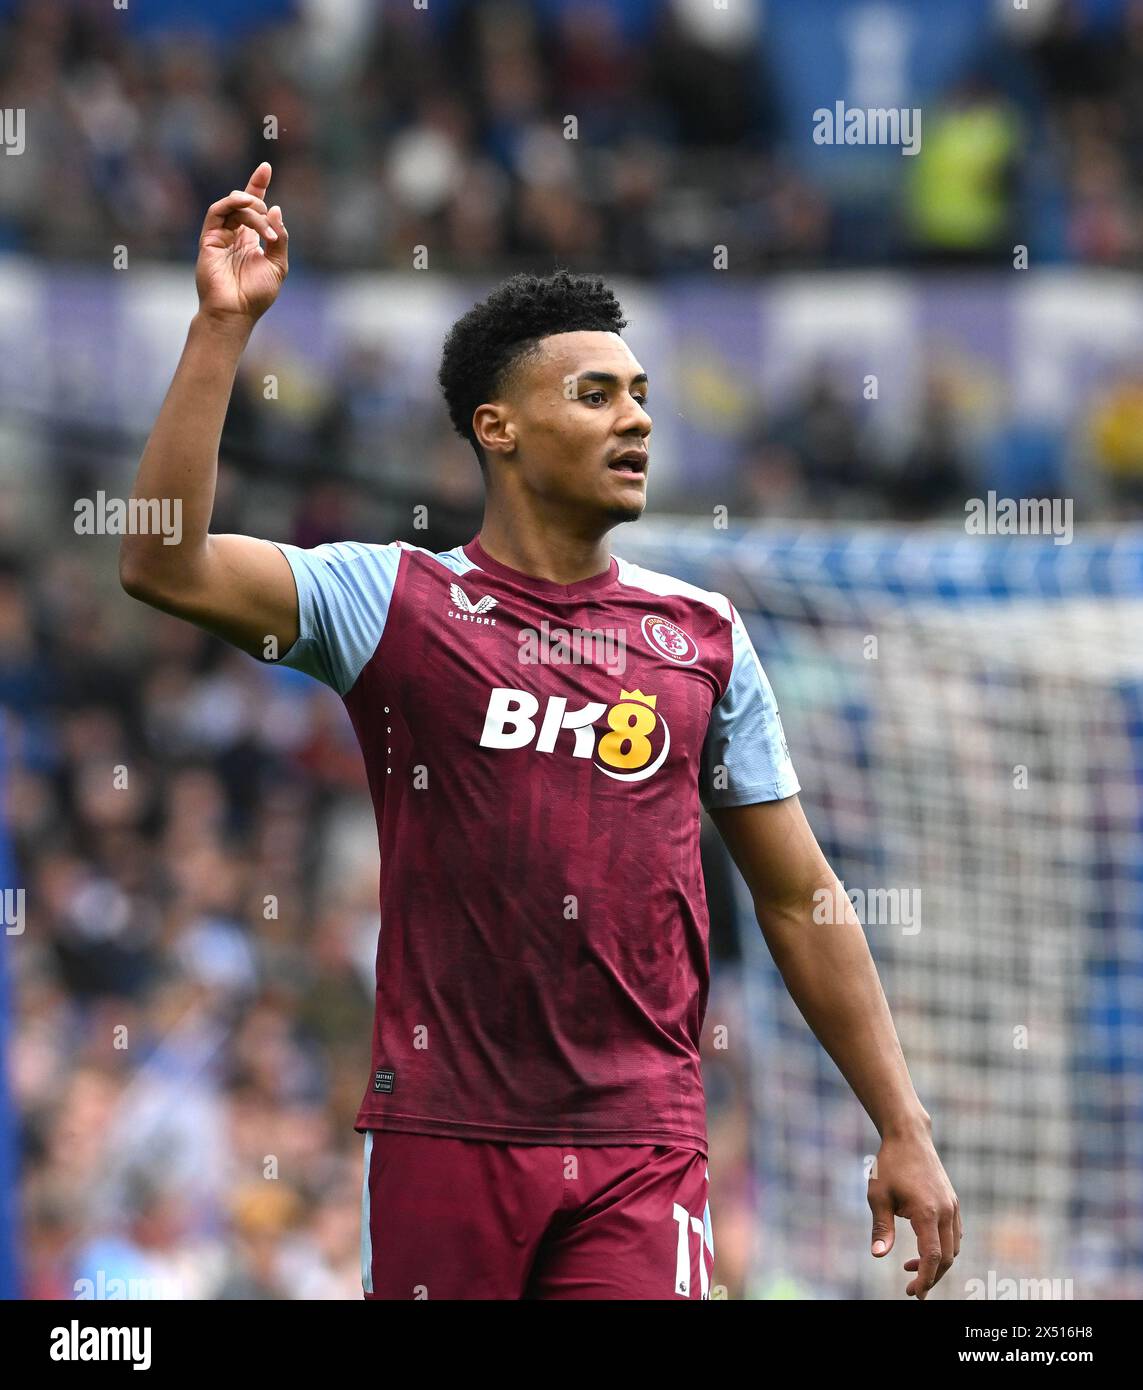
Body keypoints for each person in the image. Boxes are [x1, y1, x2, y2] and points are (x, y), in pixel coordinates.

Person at [119, 162, 962, 1301]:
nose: (640, 418)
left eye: (642, 393)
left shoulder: (701, 637)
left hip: (641, 1141)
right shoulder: (395, 604)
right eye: (599, 394)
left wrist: (900, 1121)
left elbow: (799, 895)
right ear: (498, 426)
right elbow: (163, 561)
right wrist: (224, 327)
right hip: (444, 1128)